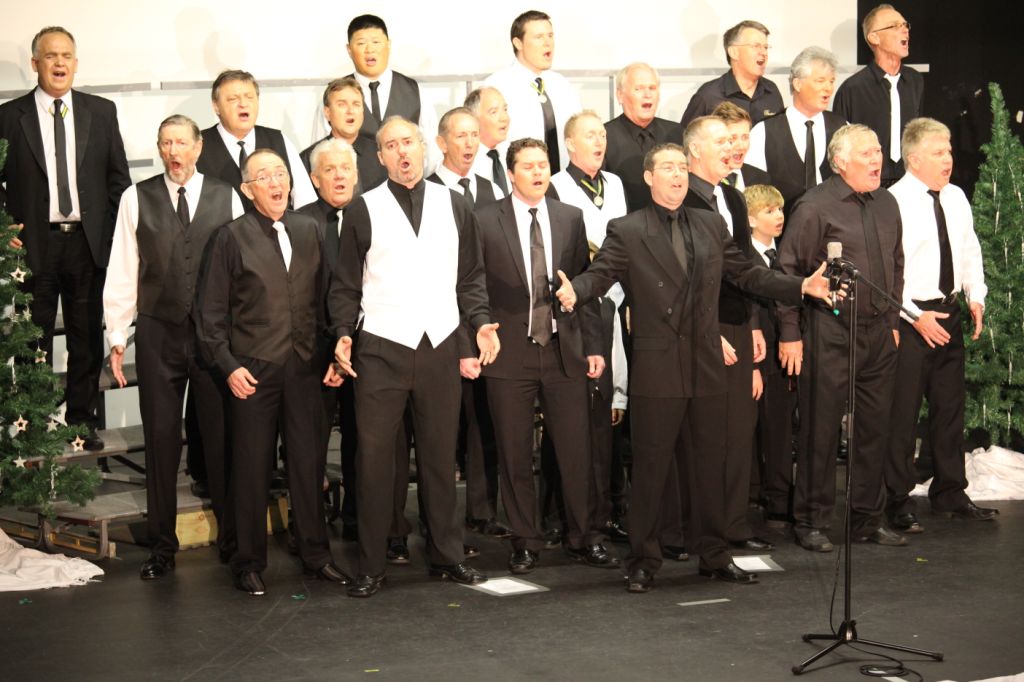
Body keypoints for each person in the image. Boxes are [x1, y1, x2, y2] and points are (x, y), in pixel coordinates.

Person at [554, 143, 834, 592]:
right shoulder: (627, 228)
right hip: (658, 366)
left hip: (705, 364)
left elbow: (747, 274)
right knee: (652, 469)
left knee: (710, 465)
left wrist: (800, 286)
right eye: (667, 167)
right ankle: (644, 560)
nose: (678, 175)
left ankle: (714, 555)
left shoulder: (710, 223)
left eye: (682, 167)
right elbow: (600, 274)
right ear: (649, 177)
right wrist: (575, 293)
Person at [328, 116, 499, 598]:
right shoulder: (362, 209)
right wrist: (342, 334)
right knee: (375, 461)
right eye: (391, 146)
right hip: (381, 348)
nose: (402, 152)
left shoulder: (456, 204)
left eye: (409, 142)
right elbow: (345, 284)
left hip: (439, 344)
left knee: (440, 458)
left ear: (423, 148)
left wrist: (479, 323)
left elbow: (471, 278)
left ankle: (447, 554)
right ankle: (371, 564)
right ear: (379, 156)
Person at [196, 150, 350, 596]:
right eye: (264, 177)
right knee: (251, 467)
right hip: (254, 370)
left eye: (280, 174)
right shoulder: (229, 237)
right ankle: (247, 561)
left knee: (308, 463)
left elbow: (327, 297)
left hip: (305, 367)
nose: (276, 182)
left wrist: (334, 352)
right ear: (248, 190)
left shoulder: (309, 229)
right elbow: (210, 314)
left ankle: (316, 554)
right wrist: (228, 367)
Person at [103, 114, 242, 580]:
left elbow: (241, 270)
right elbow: (123, 268)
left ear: (198, 147)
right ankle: (161, 546)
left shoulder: (227, 195)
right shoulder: (135, 197)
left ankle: (232, 539)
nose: (173, 151)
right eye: (166, 143)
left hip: (212, 337)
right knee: (161, 441)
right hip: (159, 333)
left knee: (220, 439)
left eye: (181, 142)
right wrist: (117, 335)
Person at [470, 137, 615, 574]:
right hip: (507, 352)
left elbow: (584, 286)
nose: (537, 172)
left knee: (576, 450)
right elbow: (472, 283)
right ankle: (525, 541)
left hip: (563, 349)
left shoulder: (569, 217)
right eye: (528, 166)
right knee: (514, 453)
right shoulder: (483, 219)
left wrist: (593, 346)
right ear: (511, 173)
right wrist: (478, 329)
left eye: (543, 164)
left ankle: (584, 537)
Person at [777, 124, 907, 552]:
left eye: (878, 151)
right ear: (839, 161)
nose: (877, 160)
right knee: (820, 428)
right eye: (866, 153)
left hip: (878, 333)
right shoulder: (814, 206)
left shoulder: (887, 202)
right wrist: (790, 334)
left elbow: (896, 263)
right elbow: (788, 271)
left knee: (874, 429)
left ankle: (867, 519)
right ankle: (811, 520)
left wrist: (892, 320)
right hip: (829, 330)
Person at [0, 26, 130, 451]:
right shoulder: (8, 116)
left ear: (75, 63)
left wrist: (113, 238)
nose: (60, 63)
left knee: (85, 338)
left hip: (87, 245)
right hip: (33, 246)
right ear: (35, 63)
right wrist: (4, 226)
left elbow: (119, 182)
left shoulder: (101, 111)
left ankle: (80, 423)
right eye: (51, 56)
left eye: (67, 55)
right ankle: (35, 425)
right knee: (33, 340)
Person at [885, 117, 996, 529]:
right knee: (902, 414)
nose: (948, 158)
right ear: (914, 159)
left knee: (950, 409)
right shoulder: (893, 201)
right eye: (938, 152)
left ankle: (950, 492)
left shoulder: (956, 196)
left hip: (949, 313)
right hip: (911, 317)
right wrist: (914, 317)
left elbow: (969, 249)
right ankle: (896, 499)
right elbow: (886, 271)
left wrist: (975, 295)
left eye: (948, 150)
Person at [681, 116, 773, 553]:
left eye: (734, 140)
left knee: (738, 431)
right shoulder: (681, 199)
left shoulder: (734, 198)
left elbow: (744, 269)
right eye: (721, 141)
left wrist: (752, 324)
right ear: (695, 150)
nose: (731, 148)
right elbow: (679, 277)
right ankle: (699, 528)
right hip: (697, 331)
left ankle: (734, 524)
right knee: (702, 436)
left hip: (737, 324)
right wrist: (707, 331)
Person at [549, 111, 631, 542]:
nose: (599, 142)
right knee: (575, 414)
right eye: (589, 135)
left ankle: (611, 506)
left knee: (613, 412)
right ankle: (561, 513)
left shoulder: (615, 183)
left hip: (615, 300)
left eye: (601, 134)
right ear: (569, 143)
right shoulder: (556, 186)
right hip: (579, 305)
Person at [296, 137, 360, 541]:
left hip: (363, 347)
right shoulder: (299, 222)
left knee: (362, 438)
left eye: (345, 169)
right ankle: (309, 527)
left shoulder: (370, 216)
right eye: (330, 170)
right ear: (315, 179)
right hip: (313, 349)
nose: (339, 176)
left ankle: (357, 519)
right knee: (310, 442)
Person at [744, 184, 798, 525]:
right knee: (753, 429)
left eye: (779, 209)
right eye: (769, 211)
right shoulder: (743, 259)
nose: (779, 216)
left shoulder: (785, 256)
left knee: (781, 427)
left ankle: (779, 495)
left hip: (785, 353)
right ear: (750, 219)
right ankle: (753, 495)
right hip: (756, 353)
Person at [196, 69, 315, 211]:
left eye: (249, 97)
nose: (243, 104)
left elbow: (306, 202)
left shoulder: (278, 139)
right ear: (216, 106)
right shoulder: (197, 145)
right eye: (233, 99)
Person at [746, 47, 845, 215]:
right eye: (820, 81)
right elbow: (753, 194)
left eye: (831, 81)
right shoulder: (763, 132)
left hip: (836, 225)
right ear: (797, 84)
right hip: (784, 227)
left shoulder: (843, 128)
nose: (828, 88)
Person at [833, 4, 924, 187]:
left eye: (905, 25)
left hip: (909, 181)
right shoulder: (852, 89)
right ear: (874, 37)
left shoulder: (915, 81)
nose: (905, 30)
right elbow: (840, 147)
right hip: (868, 185)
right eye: (895, 25)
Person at [484, 10, 581, 172]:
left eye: (550, 35)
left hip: (562, 181)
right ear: (518, 43)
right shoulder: (496, 87)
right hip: (516, 180)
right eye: (539, 37)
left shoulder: (562, 85)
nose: (548, 43)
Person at [344, 14, 440, 173]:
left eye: (376, 42)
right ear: (349, 49)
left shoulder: (414, 91)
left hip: (406, 185)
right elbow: (321, 151)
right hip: (355, 187)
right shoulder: (336, 95)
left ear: (388, 45)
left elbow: (432, 150)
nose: (369, 49)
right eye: (361, 43)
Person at [604, 63, 683, 212]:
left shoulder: (676, 132)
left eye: (652, 88)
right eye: (638, 89)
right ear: (620, 95)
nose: (647, 94)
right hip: (625, 222)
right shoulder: (604, 136)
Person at [680, 20, 784, 129]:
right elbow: (687, 137)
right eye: (756, 46)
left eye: (765, 47)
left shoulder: (772, 91)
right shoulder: (708, 96)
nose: (763, 52)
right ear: (734, 52)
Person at [300, 77, 387, 192]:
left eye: (356, 104)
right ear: (327, 112)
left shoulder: (382, 154)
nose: (350, 111)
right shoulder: (307, 158)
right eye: (342, 104)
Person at [427, 107, 502, 208]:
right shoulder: (425, 193)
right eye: (461, 136)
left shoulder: (494, 191)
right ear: (442, 143)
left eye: (475, 135)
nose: (470, 143)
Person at [712, 101, 771, 190]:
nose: (741, 146)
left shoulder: (762, 179)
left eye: (745, 137)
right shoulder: (702, 180)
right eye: (732, 139)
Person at [466, 87, 511, 196]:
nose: (505, 118)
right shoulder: (465, 162)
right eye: (494, 112)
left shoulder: (512, 154)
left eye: (505, 110)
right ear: (473, 118)